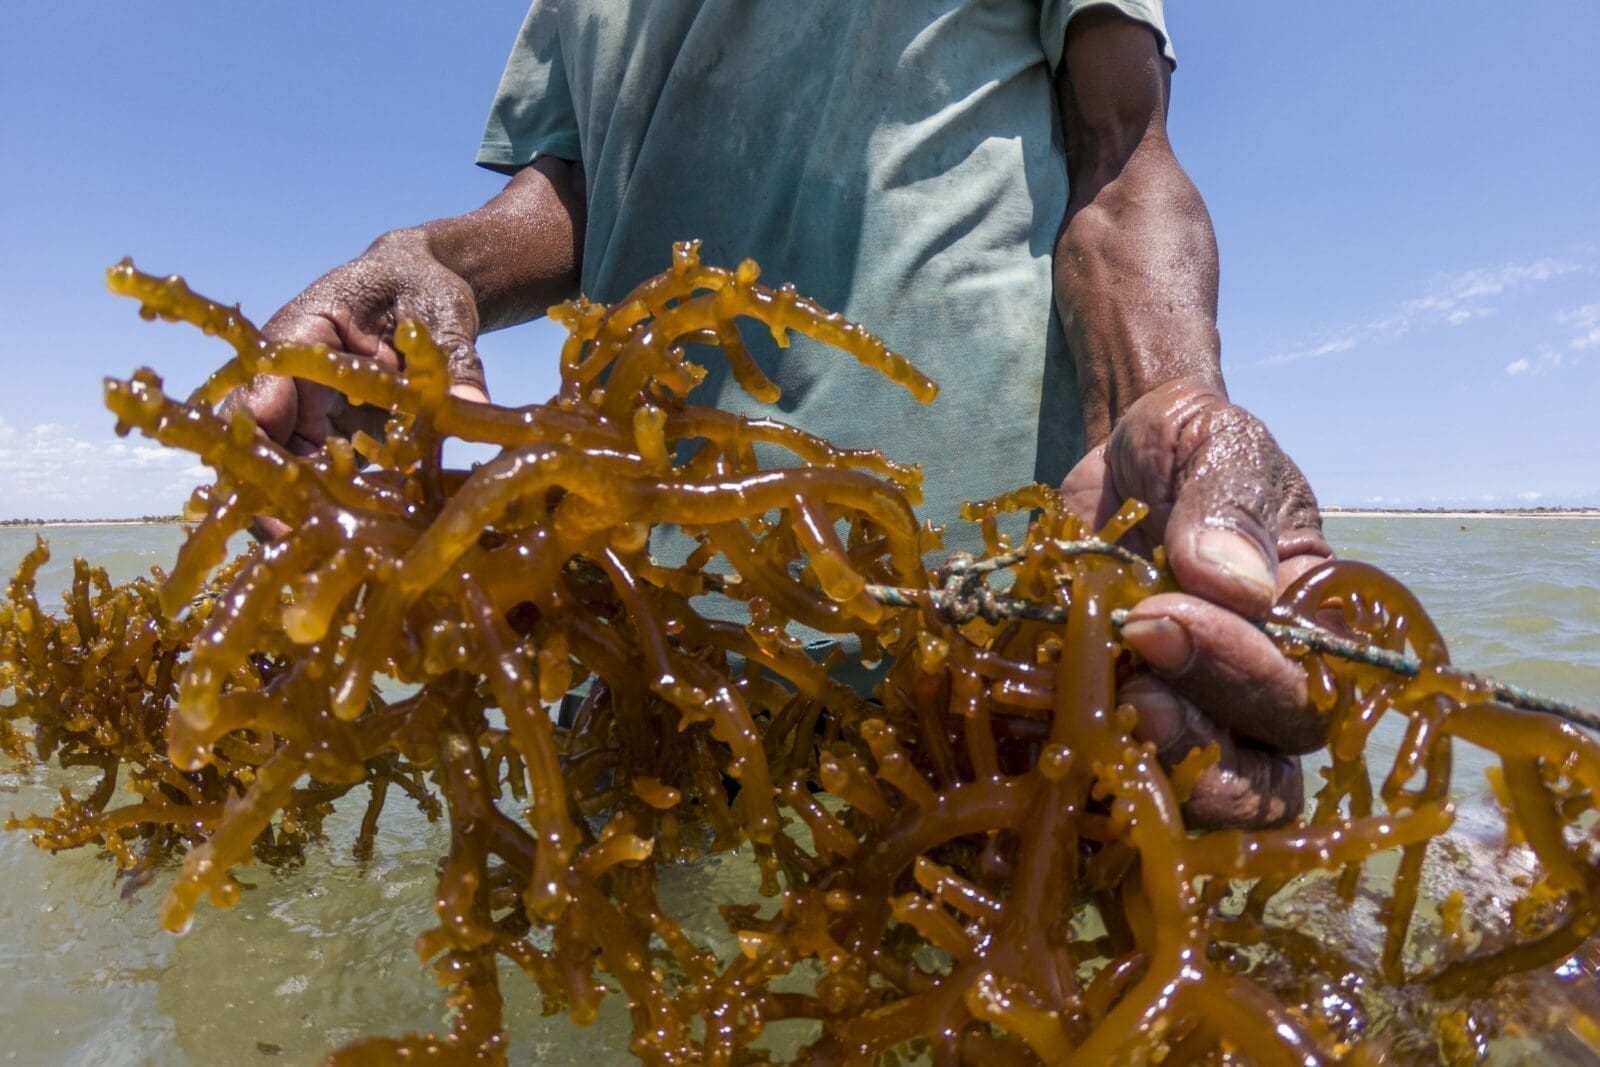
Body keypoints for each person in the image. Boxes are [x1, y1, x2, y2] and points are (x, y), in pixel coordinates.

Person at [231, 0, 1332, 830]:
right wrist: (435, 260)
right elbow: (576, 188)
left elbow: (1123, 160)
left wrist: (1162, 406)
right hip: (642, 626)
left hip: (986, 618)